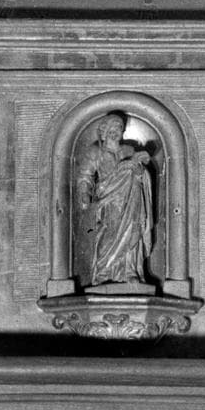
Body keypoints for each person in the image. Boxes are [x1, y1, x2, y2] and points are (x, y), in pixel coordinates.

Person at [76, 114, 153, 286]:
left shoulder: (129, 151)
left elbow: (141, 174)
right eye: (111, 128)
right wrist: (84, 193)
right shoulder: (95, 152)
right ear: (103, 132)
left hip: (131, 197)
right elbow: (85, 176)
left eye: (118, 128)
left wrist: (139, 171)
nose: (114, 131)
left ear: (122, 132)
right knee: (108, 235)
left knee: (132, 230)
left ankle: (130, 270)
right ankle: (103, 272)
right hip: (108, 200)